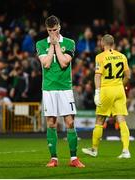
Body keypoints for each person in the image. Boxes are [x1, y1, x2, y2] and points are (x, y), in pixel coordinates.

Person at [36, 15, 85, 167]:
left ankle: (74, 158)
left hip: (65, 88)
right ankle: (54, 158)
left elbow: (64, 63)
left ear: (59, 28)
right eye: (50, 30)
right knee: (51, 123)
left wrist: (56, 44)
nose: (53, 33)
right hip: (49, 88)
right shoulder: (41, 43)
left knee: (70, 122)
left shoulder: (70, 43)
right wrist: (52, 44)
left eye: (55, 30)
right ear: (47, 29)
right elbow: (46, 63)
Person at [82, 34, 131, 159]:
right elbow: (128, 76)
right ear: (113, 43)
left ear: (102, 43)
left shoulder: (100, 57)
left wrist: (97, 92)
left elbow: (97, 75)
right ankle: (126, 150)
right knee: (122, 120)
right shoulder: (122, 56)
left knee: (100, 120)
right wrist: (120, 84)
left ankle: (94, 149)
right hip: (119, 90)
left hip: (106, 90)